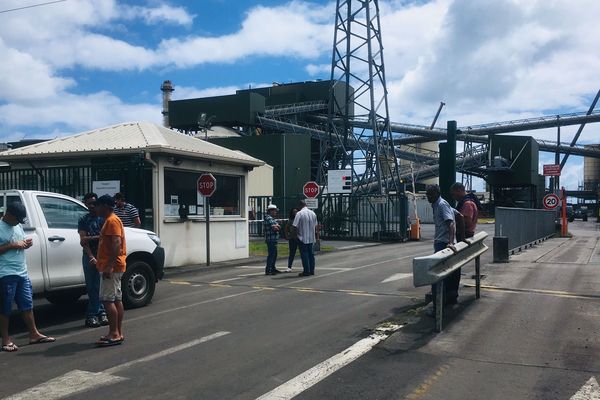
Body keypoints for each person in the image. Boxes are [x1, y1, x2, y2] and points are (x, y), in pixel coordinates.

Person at [0, 202, 55, 352]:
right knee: (5, 308)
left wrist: (25, 244)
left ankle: (34, 334)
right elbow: (11, 246)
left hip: (22, 272)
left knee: (27, 304)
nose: (19, 222)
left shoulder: (17, 226)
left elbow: (20, 242)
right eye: (17, 218)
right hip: (5, 273)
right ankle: (5, 339)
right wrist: (12, 245)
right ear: (9, 214)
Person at [95, 195, 127, 347]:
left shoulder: (112, 221)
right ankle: (117, 332)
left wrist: (109, 265)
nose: (96, 208)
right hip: (114, 266)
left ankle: (114, 333)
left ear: (106, 206)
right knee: (116, 299)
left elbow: (116, 243)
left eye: (98, 205)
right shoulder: (110, 220)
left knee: (108, 300)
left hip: (111, 267)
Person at [78, 193, 108, 328]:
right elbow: (83, 241)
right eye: (89, 203)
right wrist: (91, 256)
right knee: (91, 287)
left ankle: (100, 313)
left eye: (94, 203)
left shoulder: (103, 219)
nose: (91, 206)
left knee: (100, 287)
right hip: (89, 256)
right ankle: (92, 315)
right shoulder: (84, 220)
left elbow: (106, 239)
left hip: (102, 256)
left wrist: (92, 238)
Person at [426, 185, 456, 312]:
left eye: (431, 194)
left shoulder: (442, 205)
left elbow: (451, 224)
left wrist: (450, 242)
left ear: (437, 194)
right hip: (440, 241)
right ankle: (443, 303)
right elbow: (459, 216)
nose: (428, 197)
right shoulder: (436, 204)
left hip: (443, 243)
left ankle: (437, 309)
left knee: (435, 276)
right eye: (427, 194)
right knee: (443, 275)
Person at [293, 200, 318, 277]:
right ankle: (311, 270)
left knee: (304, 255)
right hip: (311, 238)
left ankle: (306, 270)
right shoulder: (313, 213)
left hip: (302, 238)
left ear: (300, 206)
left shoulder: (299, 214)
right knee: (311, 255)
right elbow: (316, 226)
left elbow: (295, 226)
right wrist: (316, 236)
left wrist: (295, 236)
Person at [264, 204, 281, 275]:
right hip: (271, 239)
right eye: (274, 211)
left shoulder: (272, 218)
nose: (276, 212)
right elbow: (275, 228)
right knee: (271, 254)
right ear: (270, 211)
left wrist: (277, 226)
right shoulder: (268, 218)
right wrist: (277, 226)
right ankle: (269, 269)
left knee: (274, 254)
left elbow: (278, 226)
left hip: (274, 239)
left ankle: (273, 268)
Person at [284, 208, 299, 273]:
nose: (295, 213)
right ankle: (289, 267)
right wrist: (287, 236)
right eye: (294, 212)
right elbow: (286, 228)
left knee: (303, 252)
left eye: (296, 211)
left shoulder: (300, 219)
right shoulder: (291, 220)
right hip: (292, 238)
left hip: (300, 238)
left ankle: (306, 267)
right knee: (292, 253)